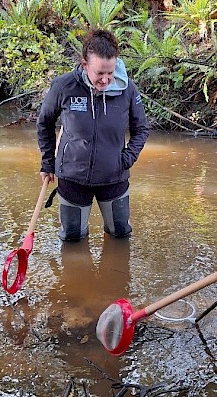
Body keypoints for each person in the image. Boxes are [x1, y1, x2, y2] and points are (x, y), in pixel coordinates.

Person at [37, 27, 149, 241]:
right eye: (100, 73)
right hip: (73, 177)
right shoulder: (64, 86)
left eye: (111, 72)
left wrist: (127, 158)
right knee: (72, 238)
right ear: (85, 64)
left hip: (113, 176)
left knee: (120, 234)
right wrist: (47, 162)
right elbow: (45, 122)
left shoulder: (127, 90)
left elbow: (141, 128)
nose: (106, 80)